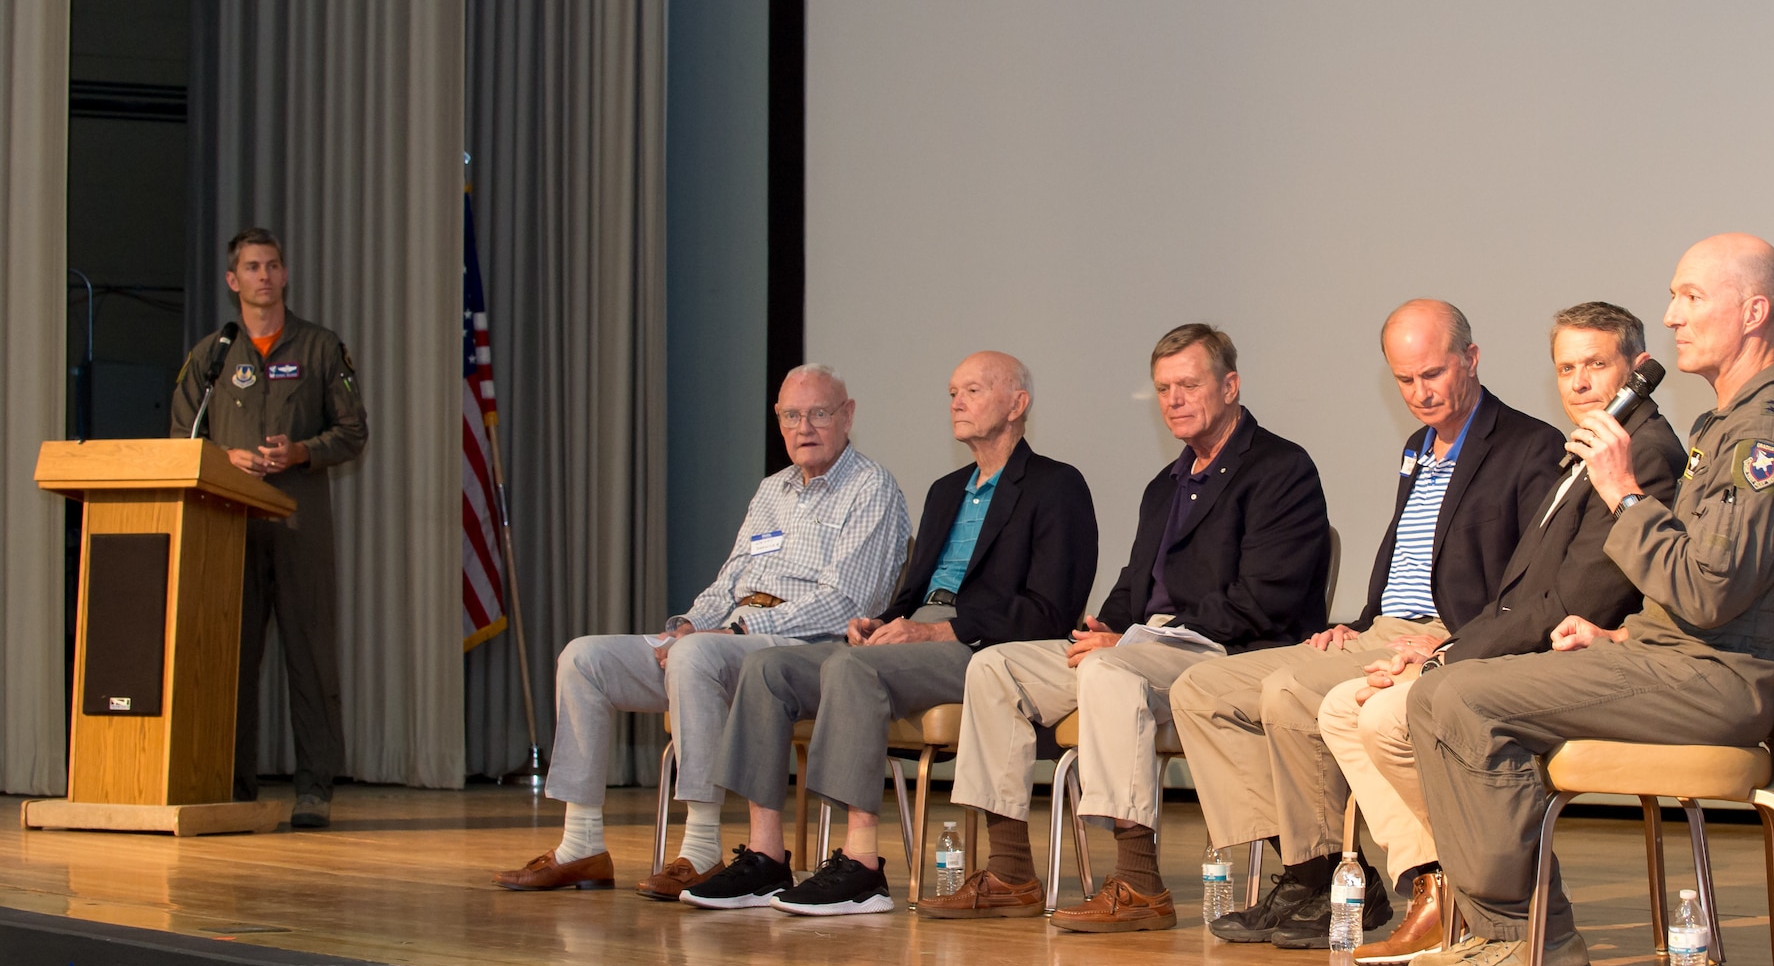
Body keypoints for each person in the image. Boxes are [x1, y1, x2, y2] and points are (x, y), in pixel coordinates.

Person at [1408, 234, 1774, 966]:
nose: (1672, 316)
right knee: (1450, 690)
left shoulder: (1766, 436)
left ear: (1754, 311)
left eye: (1691, 297)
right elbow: (1707, 589)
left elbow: (1709, 598)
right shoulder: (1728, 424)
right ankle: (1497, 931)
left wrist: (1625, 494)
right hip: (1682, 660)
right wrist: (1617, 635)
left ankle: (1531, 937)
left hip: (1718, 681)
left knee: (1456, 697)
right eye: (1674, 297)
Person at [1172, 300, 1564, 950]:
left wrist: (1458, 638)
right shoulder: (1417, 447)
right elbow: (1407, 557)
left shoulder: (1528, 445)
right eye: (1404, 380)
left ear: (1471, 358)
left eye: (1432, 373)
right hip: (1381, 627)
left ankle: (1336, 878)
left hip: (1445, 635)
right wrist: (1353, 624)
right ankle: (1304, 869)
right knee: (1202, 689)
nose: (1419, 393)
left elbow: (1531, 577)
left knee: (1290, 690)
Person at [921, 323, 1330, 931]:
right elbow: (1136, 583)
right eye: (1163, 388)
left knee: (1109, 669)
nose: (1174, 400)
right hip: (1148, 645)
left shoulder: (1280, 468)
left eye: (1189, 384)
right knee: (995, 665)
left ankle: (1139, 882)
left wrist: (1130, 641)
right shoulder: (1163, 486)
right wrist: (1105, 625)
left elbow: (1264, 599)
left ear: (1231, 386)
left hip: (1224, 648)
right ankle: (1009, 872)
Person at [1316, 302, 1686, 966]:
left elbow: (1574, 600)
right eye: (1566, 368)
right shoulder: (1590, 449)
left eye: (1595, 365)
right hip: (1525, 646)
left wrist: (1446, 660)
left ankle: (1489, 904)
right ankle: (1438, 887)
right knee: (1344, 707)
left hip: (1577, 664)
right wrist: (1433, 650)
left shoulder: (1642, 453)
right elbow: (1518, 594)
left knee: (1397, 711)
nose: (1577, 383)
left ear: (1637, 368)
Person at [681, 352, 1097, 914]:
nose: (956, 401)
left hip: (982, 650)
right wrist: (880, 622)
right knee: (768, 667)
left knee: (850, 668)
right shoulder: (946, 490)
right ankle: (765, 857)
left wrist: (937, 634)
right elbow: (911, 594)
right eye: (953, 390)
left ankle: (861, 865)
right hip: (912, 642)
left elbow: (1050, 610)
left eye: (973, 390)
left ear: (1018, 404)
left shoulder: (1056, 485)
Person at [492, 363, 909, 893]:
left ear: (848, 416)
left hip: (806, 654)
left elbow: (847, 603)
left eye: (819, 413)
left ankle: (702, 848)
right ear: (778, 422)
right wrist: (690, 624)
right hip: (730, 639)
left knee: (696, 658)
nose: (804, 427)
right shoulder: (772, 490)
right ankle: (583, 843)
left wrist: (730, 634)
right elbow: (729, 580)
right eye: (791, 415)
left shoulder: (870, 487)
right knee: (584, 657)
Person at [169, 228, 368, 829]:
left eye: (273, 265)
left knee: (309, 655)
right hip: (229, 525)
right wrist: (224, 459)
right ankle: (232, 785)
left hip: (298, 522)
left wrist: (300, 452)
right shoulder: (212, 356)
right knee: (232, 657)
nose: (263, 276)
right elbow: (182, 437)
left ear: (284, 276)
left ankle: (314, 789)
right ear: (233, 281)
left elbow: (353, 432)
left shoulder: (320, 348)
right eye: (252, 267)